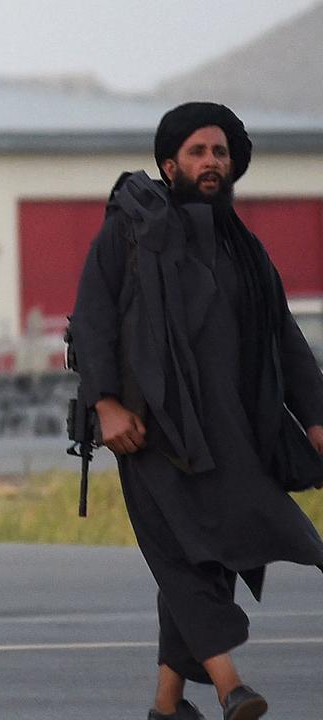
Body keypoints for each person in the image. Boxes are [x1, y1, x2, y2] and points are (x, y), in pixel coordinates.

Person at [71, 102, 323, 720]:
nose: (211, 163)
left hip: (235, 433)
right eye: (197, 152)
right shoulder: (128, 230)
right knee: (183, 557)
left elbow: (282, 335)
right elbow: (92, 320)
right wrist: (105, 404)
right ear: (168, 163)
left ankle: (166, 707)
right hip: (150, 430)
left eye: (220, 153)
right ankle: (230, 683)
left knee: (216, 551)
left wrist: (315, 415)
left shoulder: (244, 248)